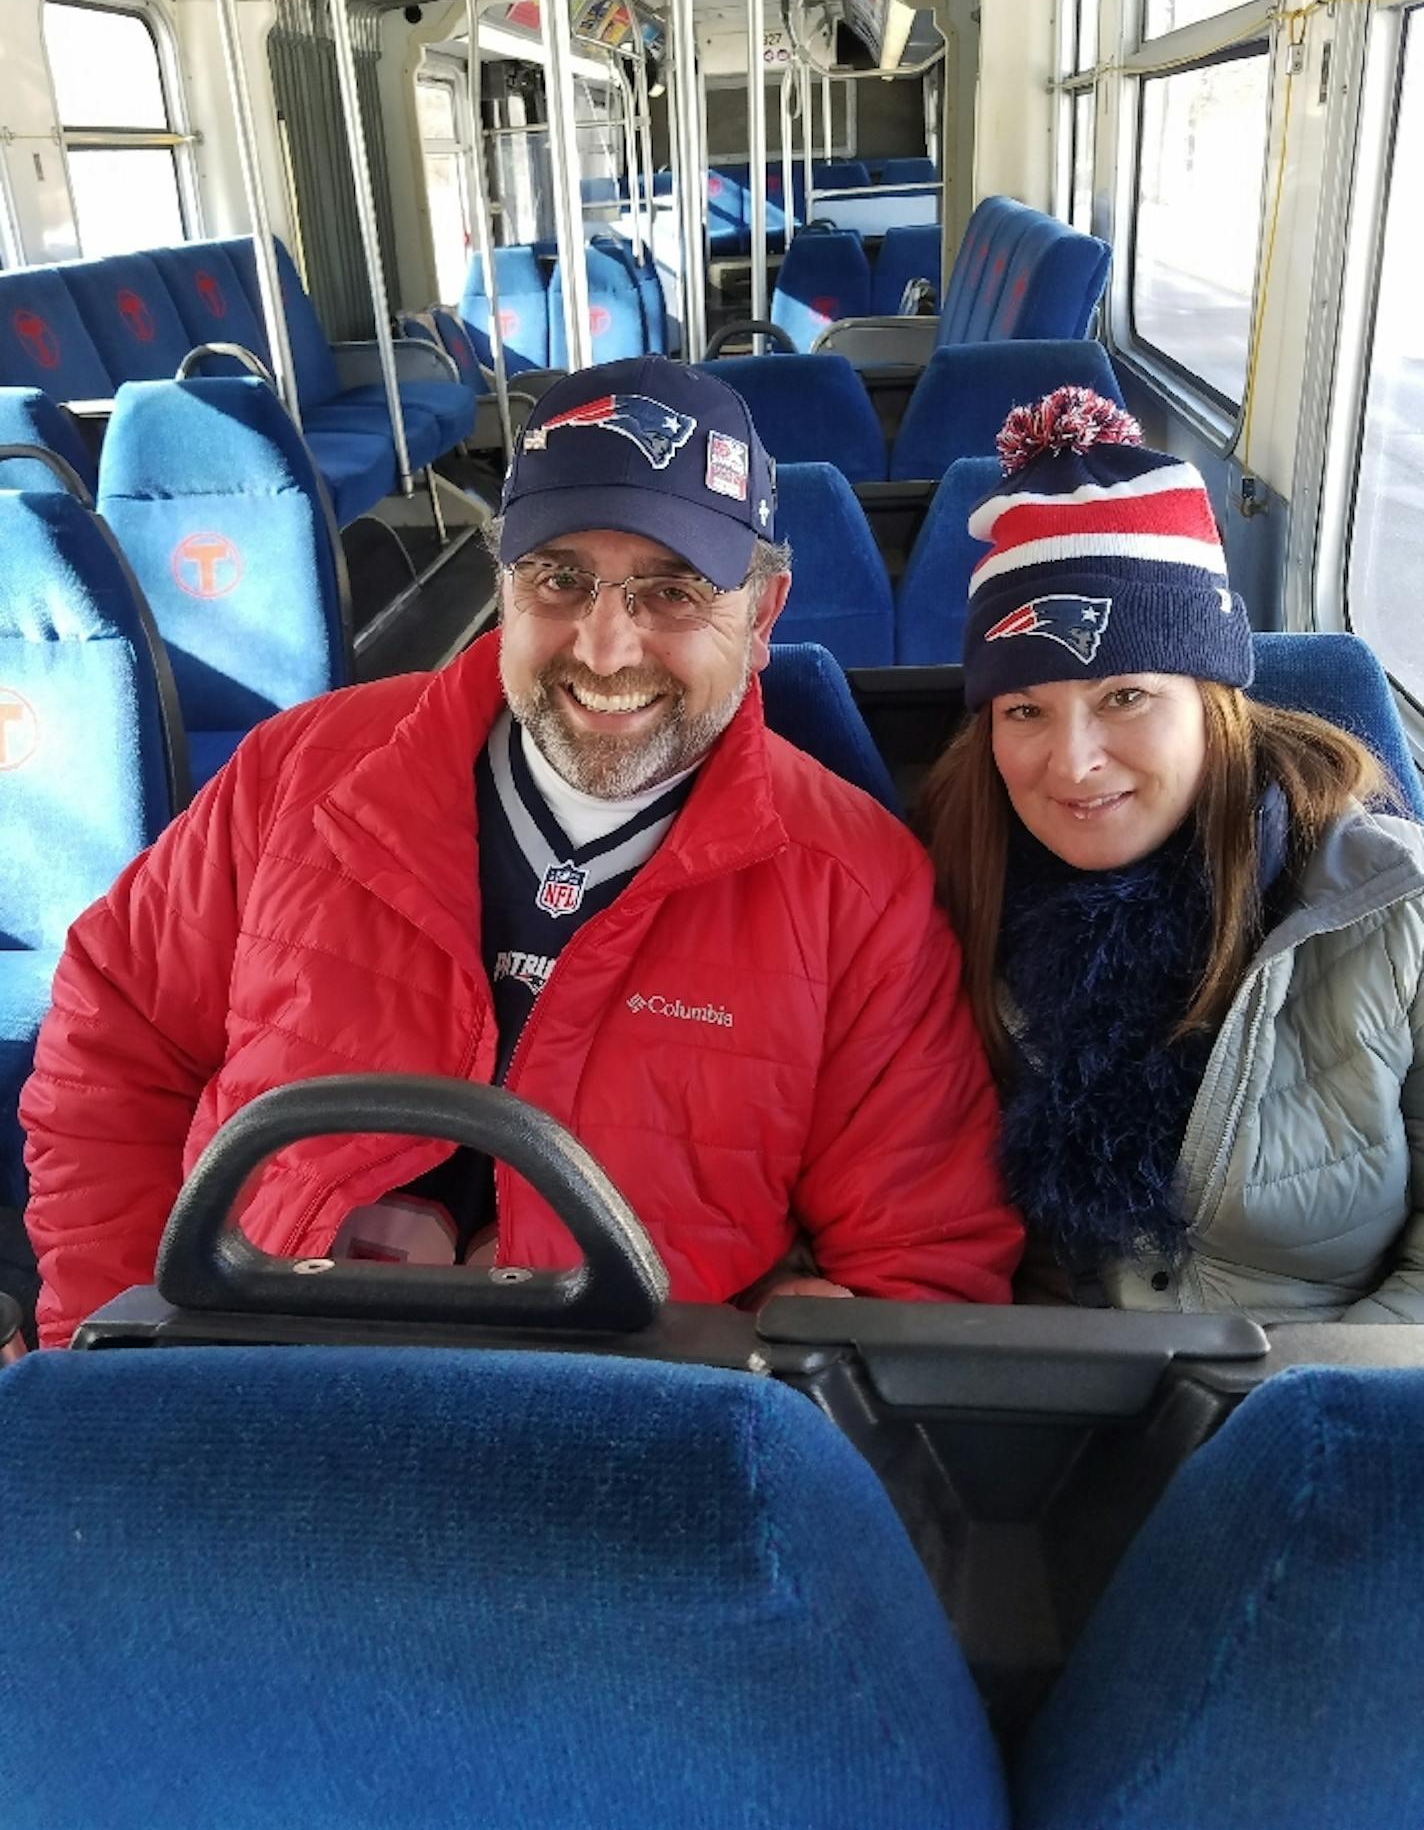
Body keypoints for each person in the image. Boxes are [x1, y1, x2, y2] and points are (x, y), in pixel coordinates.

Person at [21, 355, 1021, 1347]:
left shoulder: (860, 891)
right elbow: (110, 1057)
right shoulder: (295, 774)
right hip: (258, 1392)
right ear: (503, 585)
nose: (604, 647)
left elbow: (923, 1260)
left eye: (671, 592)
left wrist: (804, 1373)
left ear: (761, 616)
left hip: (625, 1439)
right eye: (559, 579)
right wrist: (107, 1348)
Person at [925, 385, 1424, 1323]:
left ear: (1214, 698)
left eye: (1126, 697)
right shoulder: (937, 895)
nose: (1072, 763)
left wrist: (1280, 1421)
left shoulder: (1391, 906)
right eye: (1025, 709)